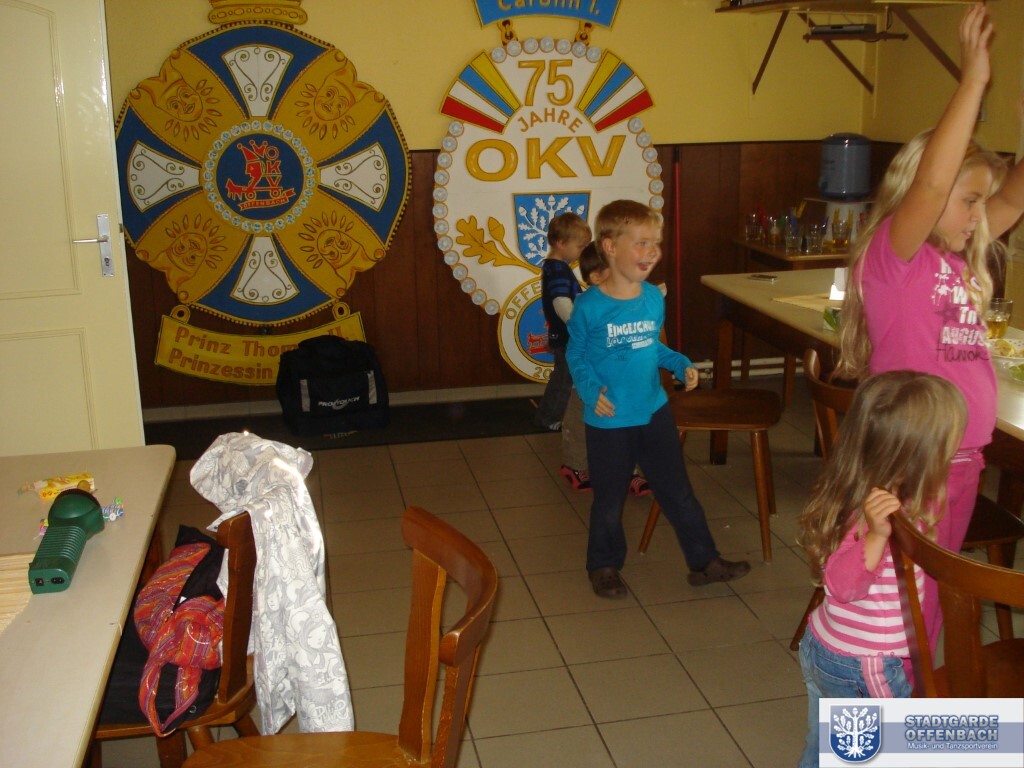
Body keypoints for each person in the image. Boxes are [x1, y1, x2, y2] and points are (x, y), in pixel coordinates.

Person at [837, 2, 1024, 649]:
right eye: (968, 201)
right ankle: (879, 684)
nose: (979, 214)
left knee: (927, 600)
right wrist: (974, 80)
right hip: (915, 459)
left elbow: (1014, 196)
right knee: (900, 597)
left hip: (961, 460)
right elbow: (934, 184)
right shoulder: (897, 257)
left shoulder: (953, 257)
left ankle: (911, 691)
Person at [566, 199, 749, 598]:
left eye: (656, 243)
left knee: (678, 491)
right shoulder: (590, 306)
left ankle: (704, 561)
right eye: (642, 242)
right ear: (610, 247)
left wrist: (680, 363)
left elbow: (652, 347)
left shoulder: (652, 298)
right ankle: (603, 565)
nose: (652, 252)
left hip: (654, 413)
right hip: (610, 420)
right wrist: (589, 389)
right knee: (609, 500)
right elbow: (576, 355)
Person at [796, 371, 967, 768]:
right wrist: (874, 537)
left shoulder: (867, 486)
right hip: (863, 664)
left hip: (829, 645)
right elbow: (840, 585)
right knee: (894, 749)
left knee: (824, 746)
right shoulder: (875, 515)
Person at [559, 243, 651, 497]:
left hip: (625, 379)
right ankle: (576, 465)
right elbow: (578, 349)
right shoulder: (586, 306)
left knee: (628, 425)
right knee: (580, 424)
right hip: (591, 381)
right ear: (595, 278)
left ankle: (630, 471)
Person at [534, 212, 591, 435]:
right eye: (580, 246)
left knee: (564, 377)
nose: (582, 251)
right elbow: (560, 302)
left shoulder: (556, 267)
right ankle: (549, 418)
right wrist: (577, 325)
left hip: (565, 334)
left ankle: (552, 415)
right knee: (564, 379)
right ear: (561, 243)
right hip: (567, 335)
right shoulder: (558, 269)